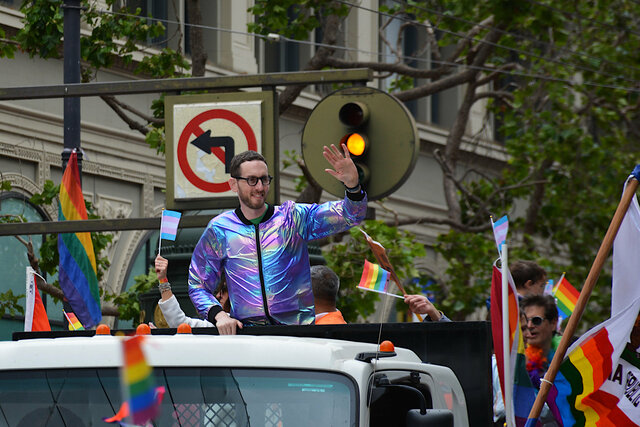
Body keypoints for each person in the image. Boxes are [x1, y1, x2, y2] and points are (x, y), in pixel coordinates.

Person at [188, 145, 367, 335]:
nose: (259, 187)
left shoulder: (292, 217)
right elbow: (197, 284)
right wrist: (219, 315)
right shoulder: (220, 229)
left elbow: (350, 215)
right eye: (251, 180)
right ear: (234, 184)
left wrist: (353, 186)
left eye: (264, 180)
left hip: (298, 335)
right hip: (248, 336)